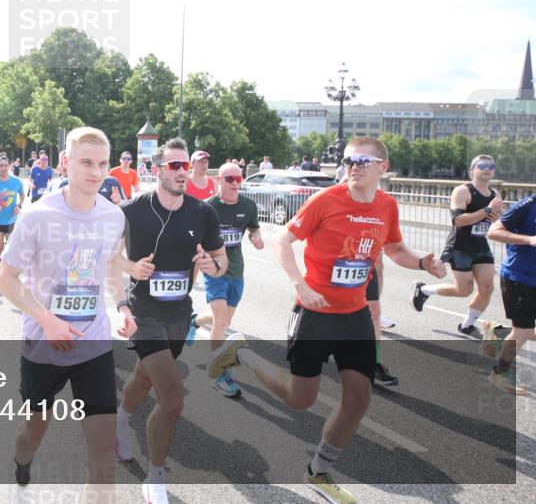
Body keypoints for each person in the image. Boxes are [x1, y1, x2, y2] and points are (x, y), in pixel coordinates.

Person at [208, 138, 447, 504]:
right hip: (315, 315)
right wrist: (299, 284)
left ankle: (317, 472)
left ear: (384, 167)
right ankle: (242, 355)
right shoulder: (326, 199)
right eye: (349, 159)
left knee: (359, 397)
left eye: (364, 160)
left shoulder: (387, 205)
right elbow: (283, 240)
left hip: (355, 316)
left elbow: (394, 248)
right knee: (300, 399)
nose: (354, 166)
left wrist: (421, 263)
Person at [0, 127, 136, 504]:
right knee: (34, 430)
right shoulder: (37, 216)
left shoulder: (113, 217)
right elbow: (5, 279)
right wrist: (47, 319)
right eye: (86, 162)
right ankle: (21, 460)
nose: (96, 172)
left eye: (103, 163)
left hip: (93, 343)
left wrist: (122, 304)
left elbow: (110, 264)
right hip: (45, 344)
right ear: (66, 162)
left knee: (103, 458)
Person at [115, 138, 227, 504]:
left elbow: (220, 259)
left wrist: (213, 266)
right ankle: (156, 476)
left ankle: (119, 419)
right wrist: (130, 268)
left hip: (179, 314)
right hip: (143, 312)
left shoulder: (203, 213)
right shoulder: (131, 211)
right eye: (175, 166)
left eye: (186, 167)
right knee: (173, 397)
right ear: (158, 169)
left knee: (145, 376)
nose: (183, 173)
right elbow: (105, 259)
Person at [185, 163, 263, 398]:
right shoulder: (208, 208)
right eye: (230, 179)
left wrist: (256, 237)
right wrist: (193, 273)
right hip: (215, 269)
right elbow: (195, 242)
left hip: (236, 270)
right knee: (221, 321)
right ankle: (218, 373)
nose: (235, 183)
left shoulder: (248, 206)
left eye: (239, 179)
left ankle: (195, 321)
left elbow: (252, 228)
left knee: (225, 319)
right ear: (219, 180)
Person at [412, 155, 504, 336]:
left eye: (490, 166)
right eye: (482, 165)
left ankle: (467, 325)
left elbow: (501, 220)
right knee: (463, 290)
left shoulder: (495, 195)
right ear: (472, 170)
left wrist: (497, 218)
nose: (487, 169)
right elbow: (458, 220)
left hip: (481, 245)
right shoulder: (463, 191)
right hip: (460, 246)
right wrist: (486, 211)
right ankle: (424, 290)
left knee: (487, 287)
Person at [484, 193, 536, 394]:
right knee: (522, 330)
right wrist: (529, 239)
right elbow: (494, 232)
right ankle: (500, 372)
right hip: (520, 277)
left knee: (521, 331)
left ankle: (498, 332)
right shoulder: (529, 205)